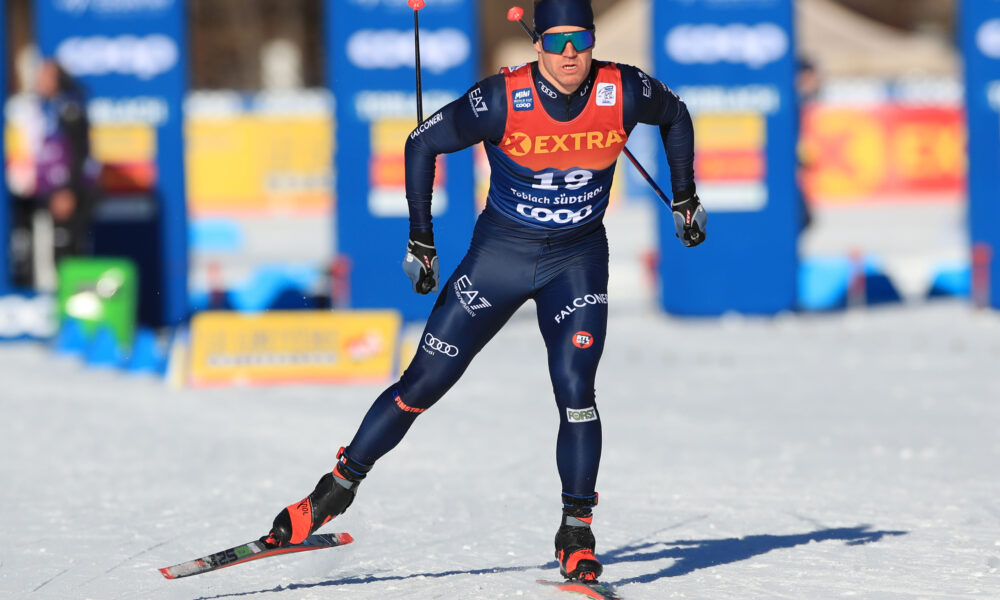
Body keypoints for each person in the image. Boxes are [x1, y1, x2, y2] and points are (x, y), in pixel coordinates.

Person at [263, 0, 706, 582]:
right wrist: (421, 241)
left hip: (575, 262)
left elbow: (676, 115)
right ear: (537, 43)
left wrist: (684, 196)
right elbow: (421, 143)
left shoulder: (621, 89)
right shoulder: (501, 99)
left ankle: (576, 531)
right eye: (556, 41)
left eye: (580, 40)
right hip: (499, 261)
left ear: (593, 41)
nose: (569, 53)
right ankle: (331, 492)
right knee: (422, 384)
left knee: (576, 389)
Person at [34, 59, 98, 266]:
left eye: (45, 76)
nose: (38, 80)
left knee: (69, 248)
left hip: (72, 191)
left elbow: (79, 151)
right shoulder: (48, 107)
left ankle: (75, 287)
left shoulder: (69, 107)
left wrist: (67, 190)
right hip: (57, 190)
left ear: (57, 79)